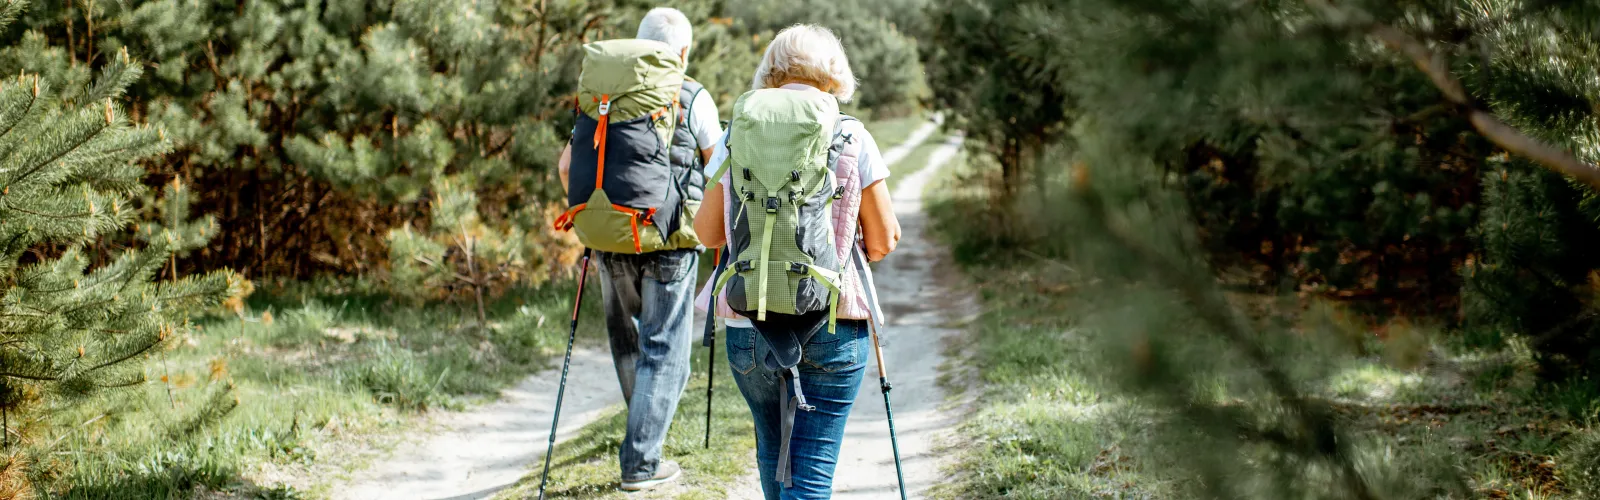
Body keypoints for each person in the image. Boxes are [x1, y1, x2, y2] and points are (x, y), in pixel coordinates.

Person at [694, 24, 901, 499]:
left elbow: (706, 233)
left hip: (750, 324)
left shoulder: (736, 132)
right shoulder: (851, 134)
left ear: (771, 71)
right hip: (831, 320)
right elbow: (885, 239)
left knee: (773, 453)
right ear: (835, 76)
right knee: (809, 476)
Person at [556, 6, 722, 492]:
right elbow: (720, 170)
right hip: (669, 239)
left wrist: (598, 218)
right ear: (685, 52)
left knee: (628, 341)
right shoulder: (691, 95)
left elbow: (568, 168)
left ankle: (642, 437)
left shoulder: (602, 96)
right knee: (666, 350)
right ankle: (642, 461)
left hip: (610, 236)